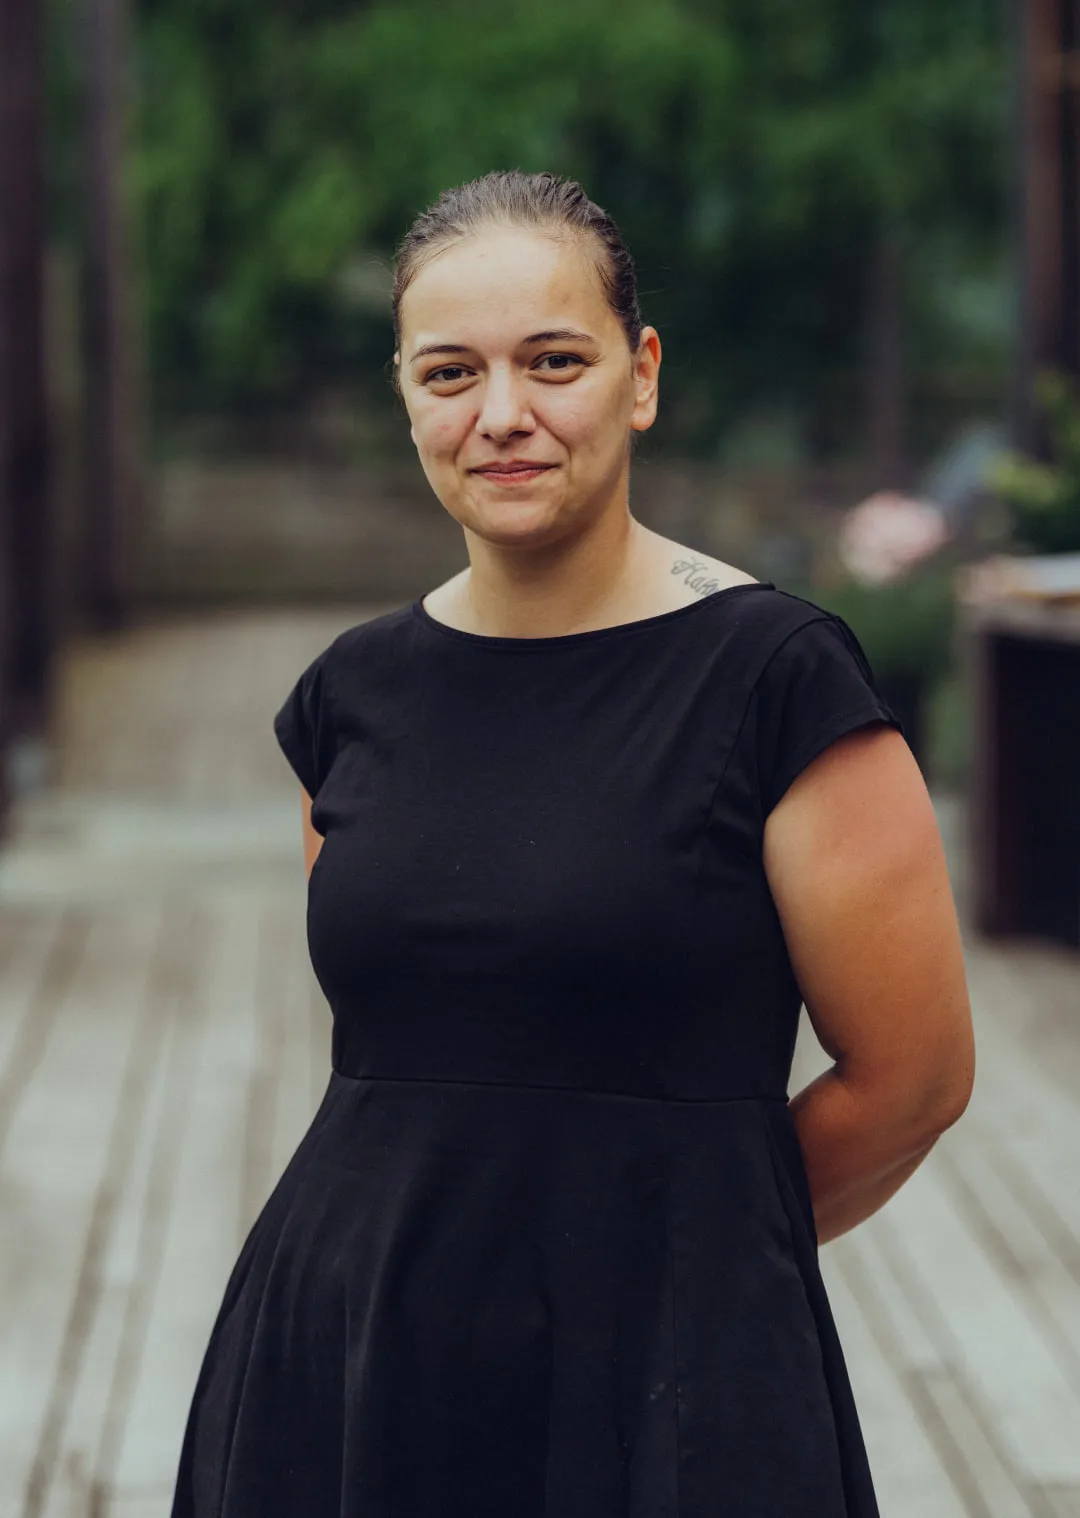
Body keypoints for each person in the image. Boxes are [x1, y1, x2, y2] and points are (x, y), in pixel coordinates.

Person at [170, 169, 975, 1518]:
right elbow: (401, 1048)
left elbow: (915, 1078)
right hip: (354, 1353)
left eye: (554, 361)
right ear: (405, 395)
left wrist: (692, 1261)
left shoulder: (777, 679)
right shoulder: (351, 695)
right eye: (450, 373)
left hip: (675, 1372)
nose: (502, 414)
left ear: (640, 376)